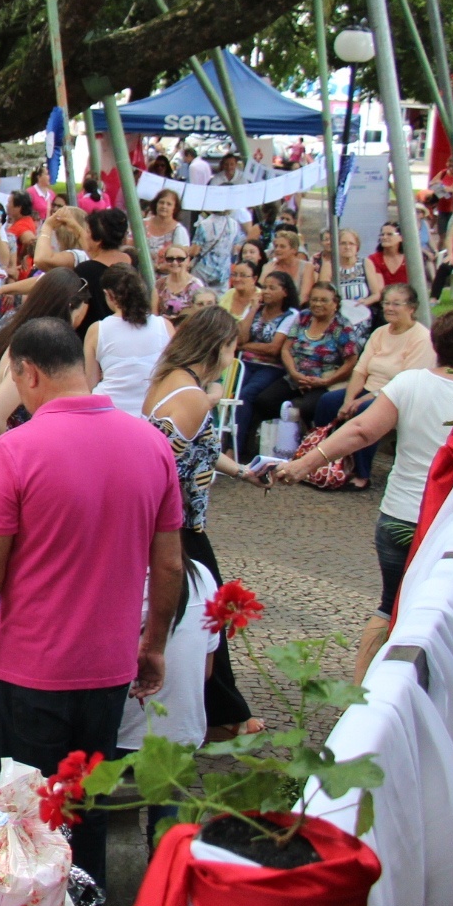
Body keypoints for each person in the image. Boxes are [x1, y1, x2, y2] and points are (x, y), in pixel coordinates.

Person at [0, 316, 183, 900]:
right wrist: (153, 644)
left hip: (29, 665)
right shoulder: (151, 442)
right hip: (109, 665)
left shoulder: (17, 448)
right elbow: (170, 567)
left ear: (27, 373)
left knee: (30, 807)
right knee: (88, 802)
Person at [275, 307, 453, 677]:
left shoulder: (409, 383)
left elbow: (361, 431)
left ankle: (359, 696)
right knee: (442, 613)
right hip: (451, 523)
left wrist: (303, 464)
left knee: (389, 604)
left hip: (399, 515)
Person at [141, 305, 266, 740]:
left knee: (202, 612)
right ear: (219, 347)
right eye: (233, 346)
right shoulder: (190, 397)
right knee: (210, 614)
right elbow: (168, 463)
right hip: (180, 525)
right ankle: (219, 713)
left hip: (179, 520)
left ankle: (218, 708)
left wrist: (242, 472)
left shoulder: (169, 382)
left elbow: (201, 448)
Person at [313, 282, 432, 489]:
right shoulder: (380, 332)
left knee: (365, 411)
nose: (389, 308)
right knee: (327, 402)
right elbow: (360, 370)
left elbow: (404, 381)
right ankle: (325, 463)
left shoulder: (421, 338)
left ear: (411, 308)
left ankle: (362, 475)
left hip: (398, 396)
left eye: (396, 304)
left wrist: (358, 402)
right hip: (369, 389)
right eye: (386, 303)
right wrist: (348, 399)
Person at [0, 267, 90, 446]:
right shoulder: (37, 346)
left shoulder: (15, 322)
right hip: (19, 454)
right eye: (81, 312)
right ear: (69, 308)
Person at [249, 280, 360, 441]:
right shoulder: (304, 317)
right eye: (314, 299)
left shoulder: (342, 327)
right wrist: (294, 373)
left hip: (325, 381)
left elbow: (351, 361)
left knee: (302, 408)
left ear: (335, 303)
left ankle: (304, 442)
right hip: (296, 377)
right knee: (264, 400)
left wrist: (325, 381)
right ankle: (270, 442)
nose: (317, 304)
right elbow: (286, 349)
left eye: (324, 300)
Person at [85, 264, 173, 415]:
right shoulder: (164, 326)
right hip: (152, 411)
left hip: (109, 412)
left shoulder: (97, 330)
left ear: (108, 295)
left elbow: (89, 384)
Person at [232, 270, 298, 461]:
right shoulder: (256, 310)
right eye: (264, 287)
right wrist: (253, 309)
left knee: (246, 395)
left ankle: (235, 448)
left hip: (271, 367)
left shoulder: (291, 315)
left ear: (285, 292)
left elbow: (274, 348)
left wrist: (245, 346)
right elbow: (241, 338)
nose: (266, 291)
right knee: (231, 394)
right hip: (245, 364)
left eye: (272, 288)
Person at [189, 202, 242, 291]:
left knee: (199, 295)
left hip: (203, 269)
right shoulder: (234, 224)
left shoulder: (204, 224)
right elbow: (234, 250)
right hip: (223, 270)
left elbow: (195, 251)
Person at [154, 241, 198, 316]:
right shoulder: (159, 284)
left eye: (180, 259)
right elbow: (154, 313)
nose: (175, 262)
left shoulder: (196, 285)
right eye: (170, 259)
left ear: (188, 260)